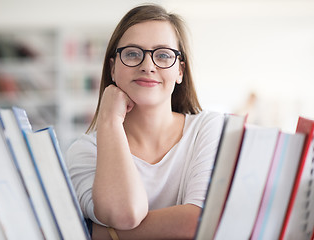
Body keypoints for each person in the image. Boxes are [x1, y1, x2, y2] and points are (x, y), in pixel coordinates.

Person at [66, 4, 224, 239]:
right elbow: (125, 214)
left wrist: (100, 233)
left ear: (180, 71)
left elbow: (200, 223)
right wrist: (109, 122)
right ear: (112, 68)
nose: (147, 66)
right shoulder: (85, 151)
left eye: (163, 55)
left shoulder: (209, 129)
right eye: (132, 53)